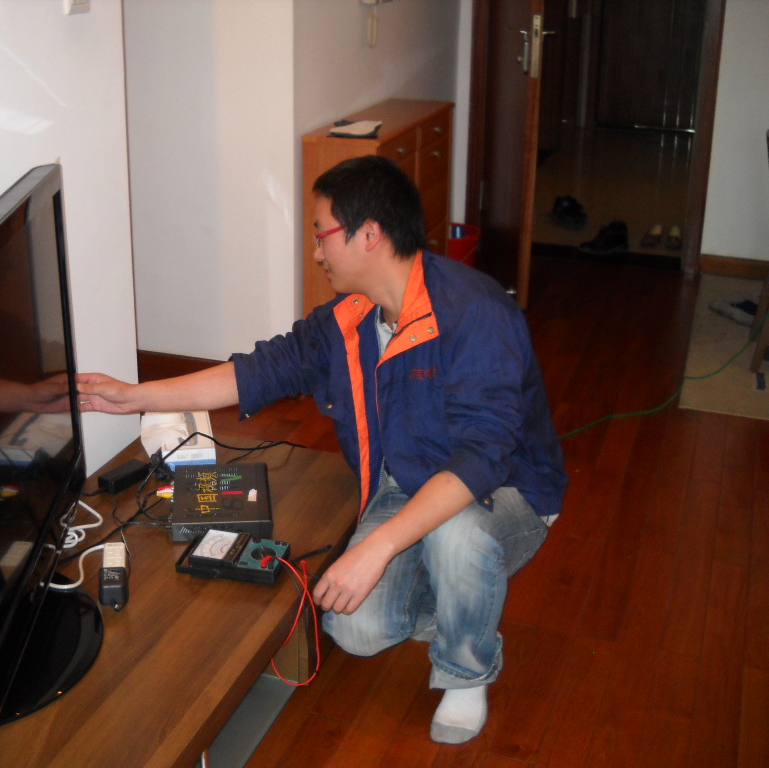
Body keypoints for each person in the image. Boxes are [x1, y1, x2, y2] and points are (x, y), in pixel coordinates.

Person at [76, 155, 567, 744]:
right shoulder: (349, 318)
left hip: (506, 491)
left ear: (369, 234)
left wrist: (378, 546)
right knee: (354, 629)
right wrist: (134, 396)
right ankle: (463, 596)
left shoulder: (474, 313)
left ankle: (467, 668)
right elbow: (257, 372)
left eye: (321, 234)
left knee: (457, 537)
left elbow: (481, 458)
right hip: (408, 483)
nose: (316, 253)